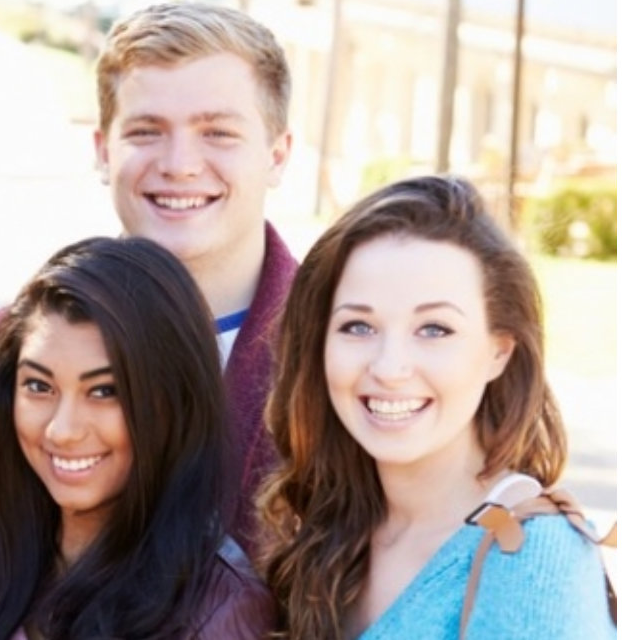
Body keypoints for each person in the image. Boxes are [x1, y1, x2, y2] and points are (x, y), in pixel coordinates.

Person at [0, 1, 298, 547]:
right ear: (102, 152)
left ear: (277, 155)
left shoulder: (341, 363)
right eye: (146, 131)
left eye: (218, 133)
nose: (180, 163)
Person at [258, 176, 614, 638]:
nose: (389, 367)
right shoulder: (330, 531)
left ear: (499, 352)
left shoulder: (535, 562)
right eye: (359, 327)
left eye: (434, 329)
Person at [0, 237, 272, 639]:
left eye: (104, 392)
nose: (62, 431)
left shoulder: (221, 613)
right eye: (39, 386)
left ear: (176, 404)